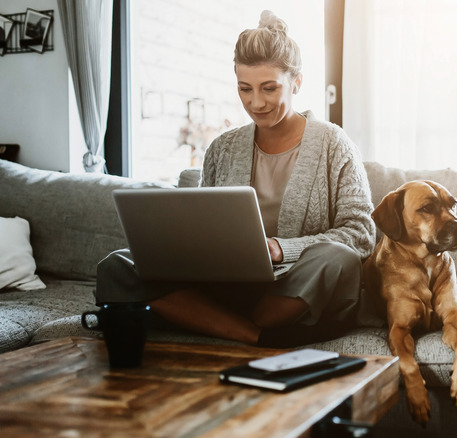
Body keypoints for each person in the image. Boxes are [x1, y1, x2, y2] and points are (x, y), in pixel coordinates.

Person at [95, 10, 377, 347]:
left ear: (296, 82)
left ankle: (211, 320)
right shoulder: (222, 148)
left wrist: (280, 249)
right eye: (245, 89)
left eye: (269, 88)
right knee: (116, 266)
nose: (256, 103)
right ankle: (257, 336)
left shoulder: (334, 144)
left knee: (337, 258)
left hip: (295, 288)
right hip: (228, 285)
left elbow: (360, 235)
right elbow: (202, 226)